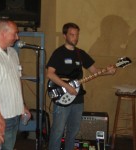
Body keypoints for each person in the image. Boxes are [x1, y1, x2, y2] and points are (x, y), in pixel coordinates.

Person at [46, 22, 116, 150]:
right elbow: (50, 74)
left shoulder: (81, 53)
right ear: (64, 35)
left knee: (73, 132)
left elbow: (95, 71)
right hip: (62, 98)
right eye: (72, 35)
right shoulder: (59, 53)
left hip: (78, 99)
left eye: (77, 35)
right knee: (57, 131)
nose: (75, 38)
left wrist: (108, 72)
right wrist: (67, 87)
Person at [0, 19, 31, 150]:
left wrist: (22, 105)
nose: (17, 37)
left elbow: (17, 81)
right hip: (1, 116)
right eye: (15, 34)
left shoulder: (13, 53)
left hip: (15, 114)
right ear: (3, 33)